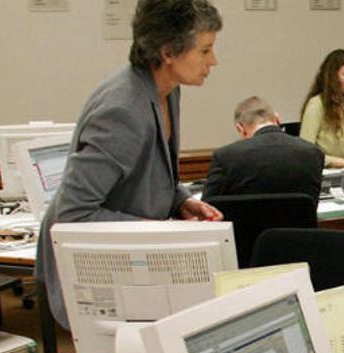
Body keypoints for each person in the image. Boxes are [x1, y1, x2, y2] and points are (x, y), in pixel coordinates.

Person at [35, 0, 223, 329]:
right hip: (90, 273)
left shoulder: (167, 90)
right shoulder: (122, 111)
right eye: (205, 51)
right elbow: (73, 215)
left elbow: (145, 170)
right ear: (168, 52)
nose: (214, 61)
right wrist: (161, 230)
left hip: (127, 262)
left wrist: (181, 200)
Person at [202, 96, 324, 205]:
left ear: (241, 128)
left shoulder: (226, 157)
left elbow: (209, 207)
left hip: (246, 230)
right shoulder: (313, 152)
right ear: (277, 120)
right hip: (299, 230)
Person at [299, 49, 344, 169]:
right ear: (333, 76)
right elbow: (305, 151)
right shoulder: (316, 105)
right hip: (329, 174)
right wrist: (343, 162)